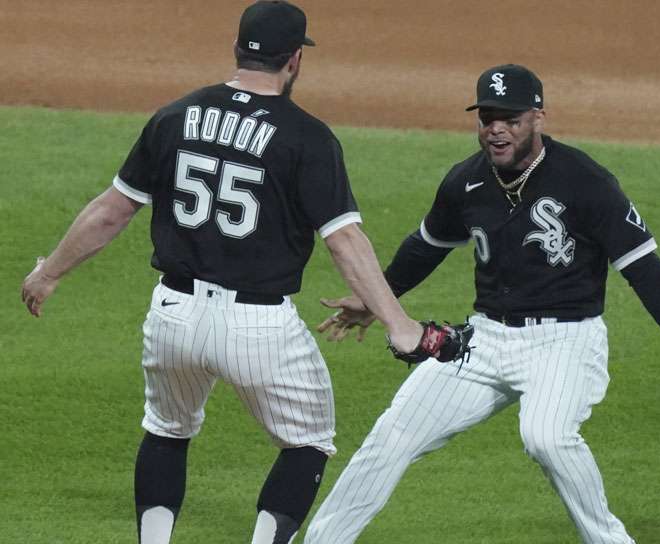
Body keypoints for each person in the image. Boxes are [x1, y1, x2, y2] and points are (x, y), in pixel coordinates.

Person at [19, 2, 424, 543]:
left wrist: (50, 271)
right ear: (295, 59)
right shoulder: (307, 137)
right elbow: (345, 241)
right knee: (307, 442)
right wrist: (398, 322)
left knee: (167, 430)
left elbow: (113, 209)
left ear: (238, 49)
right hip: (259, 327)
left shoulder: (177, 114)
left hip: (173, 314)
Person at [307, 64, 660, 544]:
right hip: (485, 341)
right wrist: (376, 299)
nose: (496, 128)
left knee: (546, 437)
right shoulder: (466, 182)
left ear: (538, 117)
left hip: (565, 343)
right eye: (487, 116)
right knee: (392, 434)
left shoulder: (586, 180)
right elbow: (425, 246)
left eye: (510, 118)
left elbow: (644, 269)